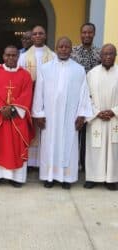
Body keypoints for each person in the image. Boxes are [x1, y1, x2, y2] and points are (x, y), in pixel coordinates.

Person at [32, 37, 92, 189]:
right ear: (56, 48)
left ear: (71, 49)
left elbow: (84, 94)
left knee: (69, 145)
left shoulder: (78, 70)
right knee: (49, 145)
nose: (64, 49)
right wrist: (39, 114)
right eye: (61, 46)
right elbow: (39, 92)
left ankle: (67, 178)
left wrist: (82, 114)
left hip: (70, 117)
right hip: (50, 118)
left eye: (67, 47)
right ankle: (49, 177)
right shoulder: (45, 68)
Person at [0, 45, 33, 188]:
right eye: (8, 55)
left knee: (16, 146)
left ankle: (16, 178)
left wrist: (12, 108)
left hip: (16, 116)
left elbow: (27, 94)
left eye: (14, 55)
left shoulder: (25, 75)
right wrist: (2, 108)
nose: (11, 58)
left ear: (18, 57)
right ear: (3, 56)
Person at [18, 25, 55, 168]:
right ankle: (30, 162)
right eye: (35, 34)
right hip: (30, 98)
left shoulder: (53, 56)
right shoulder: (23, 57)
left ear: (45, 36)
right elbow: (20, 78)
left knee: (45, 129)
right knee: (30, 128)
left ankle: (42, 162)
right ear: (31, 37)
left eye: (41, 33)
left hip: (48, 99)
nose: (38, 36)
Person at [85, 44, 118, 191]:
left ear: (115, 56)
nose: (108, 56)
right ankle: (93, 177)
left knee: (113, 150)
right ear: (100, 56)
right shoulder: (92, 73)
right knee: (94, 149)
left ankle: (111, 179)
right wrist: (97, 112)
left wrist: (113, 111)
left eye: (111, 54)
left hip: (114, 119)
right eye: (105, 54)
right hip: (96, 118)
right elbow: (85, 97)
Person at [71, 22, 101, 171]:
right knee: (75, 131)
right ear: (80, 34)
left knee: (89, 134)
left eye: (90, 32)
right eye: (84, 32)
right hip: (75, 98)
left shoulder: (99, 53)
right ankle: (73, 163)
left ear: (94, 34)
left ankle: (86, 163)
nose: (87, 35)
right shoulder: (73, 52)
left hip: (94, 99)